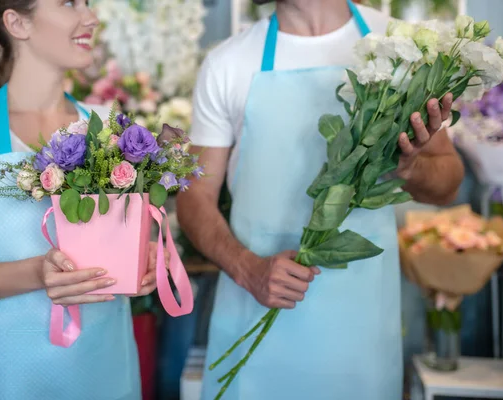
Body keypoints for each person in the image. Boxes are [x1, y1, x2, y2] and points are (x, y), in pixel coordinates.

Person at [176, 0, 465, 398]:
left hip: (359, 336)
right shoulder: (228, 63)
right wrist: (246, 268)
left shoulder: (403, 48)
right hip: (253, 315)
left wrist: (410, 168)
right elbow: (194, 196)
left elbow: (448, 182)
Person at [0, 1, 157, 399]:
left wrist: (145, 257)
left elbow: (122, 240)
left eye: (88, 4)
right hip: (14, 378)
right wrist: (37, 274)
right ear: (16, 22)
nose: (90, 18)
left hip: (109, 371)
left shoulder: (109, 126)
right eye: (68, 3)